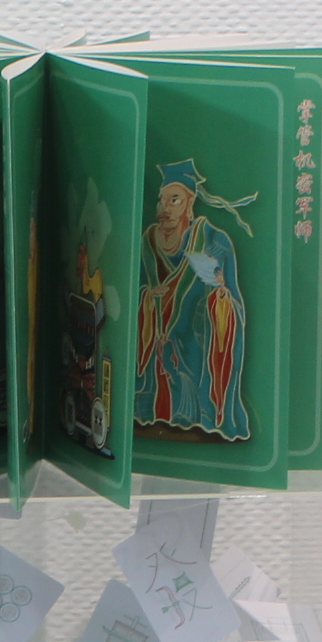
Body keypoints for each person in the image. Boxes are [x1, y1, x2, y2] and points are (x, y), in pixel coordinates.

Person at [135, 158, 252, 442]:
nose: (164, 208)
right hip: (157, 343)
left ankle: (207, 416)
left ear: (190, 203)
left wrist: (220, 297)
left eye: (174, 200)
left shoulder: (214, 241)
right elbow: (134, 291)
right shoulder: (147, 243)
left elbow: (234, 304)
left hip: (197, 343)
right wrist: (148, 299)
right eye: (161, 200)